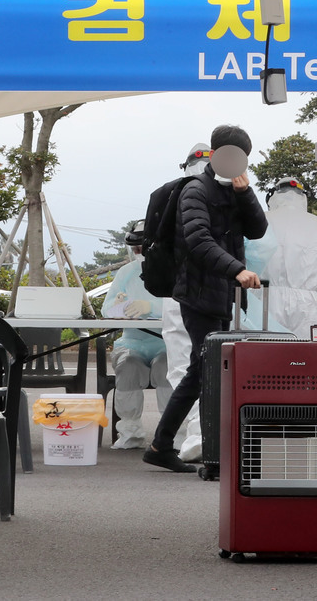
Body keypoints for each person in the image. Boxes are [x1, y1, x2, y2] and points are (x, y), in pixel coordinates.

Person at [144, 125, 268, 473]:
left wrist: (246, 194)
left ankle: (162, 445)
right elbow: (197, 240)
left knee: (203, 371)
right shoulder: (195, 190)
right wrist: (237, 271)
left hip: (220, 293)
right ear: (216, 154)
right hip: (197, 292)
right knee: (208, 370)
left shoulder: (233, 189)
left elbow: (257, 229)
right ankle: (206, 455)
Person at [157, 142, 213, 461]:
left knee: (184, 366)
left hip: (177, 293)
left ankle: (196, 435)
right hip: (219, 292)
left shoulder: (168, 195)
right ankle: (211, 434)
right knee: (217, 365)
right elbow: (261, 248)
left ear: (186, 165)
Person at [103, 221, 172, 450]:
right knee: (128, 365)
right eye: (134, 249)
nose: (138, 253)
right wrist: (118, 306)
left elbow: (182, 305)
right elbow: (106, 309)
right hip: (132, 342)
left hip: (166, 343)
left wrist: (150, 306)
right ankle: (130, 432)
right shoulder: (127, 273)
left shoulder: (173, 269)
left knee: (167, 368)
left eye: (141, 248)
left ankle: (173, 434)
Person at [261, 179, 317, 339]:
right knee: (303, 357)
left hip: (265, 301)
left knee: (266, 355)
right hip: (307, 304)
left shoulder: (262, 220)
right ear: (303, 198)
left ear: (274, 197)